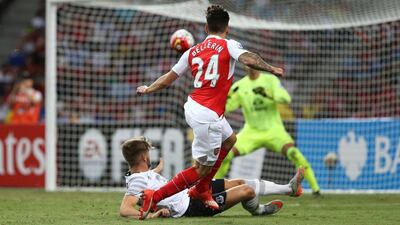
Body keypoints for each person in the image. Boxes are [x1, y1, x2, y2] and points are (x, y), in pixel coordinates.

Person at [136, 5, 283, 219]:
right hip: (208, 114)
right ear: (228, 28)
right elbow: (248, 58)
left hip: (197, 106)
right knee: (201, 168)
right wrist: (271, 68)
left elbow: (169, 76)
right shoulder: (229, 45)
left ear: (206, 28)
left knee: (230, 140)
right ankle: (155, 196)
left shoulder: (192, 51)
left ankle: (203, 188)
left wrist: (148, 88)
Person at [119, 137, 304, 219]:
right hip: (190, 207)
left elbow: (148, 180)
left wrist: (156, 170)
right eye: (147, 154)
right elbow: (125, 209)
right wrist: (152, 214)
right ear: (144, 157)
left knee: (239, 182)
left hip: (190, 192)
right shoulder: (137, 180)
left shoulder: (143, 174)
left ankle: (289, 188)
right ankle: (259, 210)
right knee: (247, 191)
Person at [214, 68, 321, 195]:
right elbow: (227, 108)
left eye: (254, 64)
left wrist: (268, 94)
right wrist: (224, 97)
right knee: (226, 154)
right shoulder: (239, 86)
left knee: (294, 153)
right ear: (245, 66)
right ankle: (214, 188)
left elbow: (286, 99)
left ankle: (316, 189)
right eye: (248, 64)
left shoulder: (270, 80)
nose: (251, 67)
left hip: (274, 131)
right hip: (251, 132)